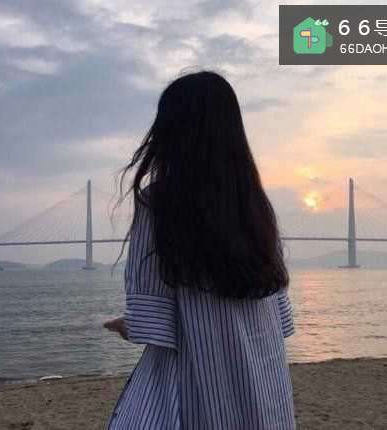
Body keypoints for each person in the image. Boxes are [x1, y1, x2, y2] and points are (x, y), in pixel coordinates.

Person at [104, 70, 296, 429]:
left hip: (201, 391)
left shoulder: (159, 204)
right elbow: (280, 316)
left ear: (170, 133)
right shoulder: (256, 206)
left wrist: (126, 325)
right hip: (265, 389)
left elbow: (154, 322)